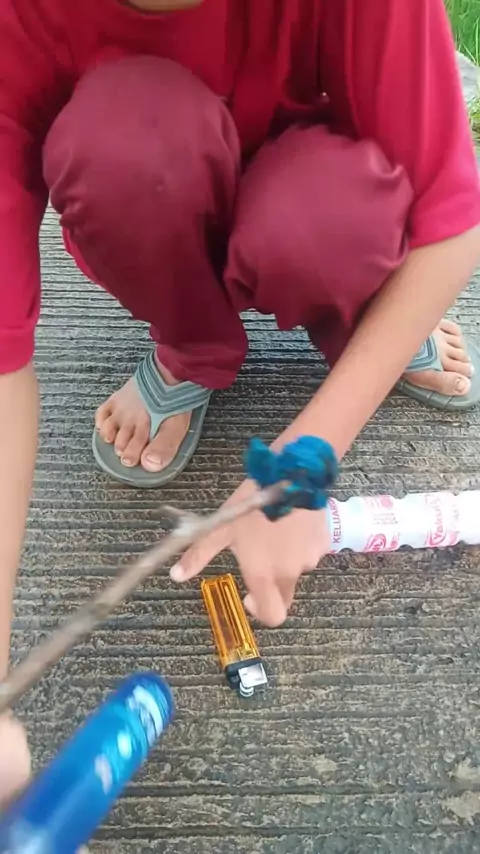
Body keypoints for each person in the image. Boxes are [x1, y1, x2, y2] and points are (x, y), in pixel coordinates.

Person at [1, 0, 480, 800]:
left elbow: (451, 217)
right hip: (154, 178)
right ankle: (193, 344)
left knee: (339, 216)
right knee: (120, 148)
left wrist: (306, 456)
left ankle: (377, 317)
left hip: (327, 190)